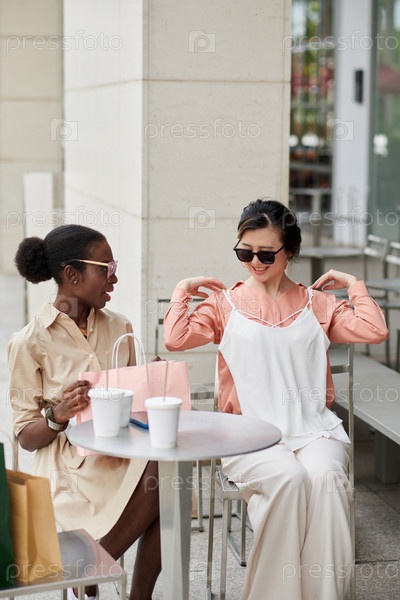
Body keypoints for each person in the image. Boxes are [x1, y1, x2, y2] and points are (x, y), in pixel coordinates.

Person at [163, 199, 388, 600]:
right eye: (244, 252)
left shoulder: (318, 303)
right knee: (289, 479)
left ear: (290, 251)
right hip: (248, 435)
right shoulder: (223, 304)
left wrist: (354, 285)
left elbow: (375, 331)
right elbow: (176, 339)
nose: (255, 262)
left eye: (266, 254)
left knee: (325, 479)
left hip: (314, 430)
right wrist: (183, 290)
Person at [8, 224, 161, 600]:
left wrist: (150, 380)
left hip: (122, 449)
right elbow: (26, 437)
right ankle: (105, 573)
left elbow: (134, 405)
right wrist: (58, 414)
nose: (115, 278)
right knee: (161, 490)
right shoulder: (29, 342)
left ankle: (100, 569)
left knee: (167, 476)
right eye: (106, 269)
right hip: (70, 467)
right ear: (72, 274)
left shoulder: (120, 326)